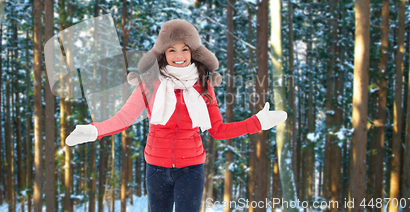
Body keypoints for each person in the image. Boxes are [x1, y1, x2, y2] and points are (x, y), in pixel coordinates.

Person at [65, 19, 287, 212]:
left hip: (191, 169)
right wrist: (94, 130)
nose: (179, 55)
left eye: (185, 49)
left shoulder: (203, 86)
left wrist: (258, 122)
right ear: (163, 53)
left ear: (193, 52)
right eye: (172, 50)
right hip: (156, 168)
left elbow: (218, 130)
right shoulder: (149, 84)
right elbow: (124, 118)